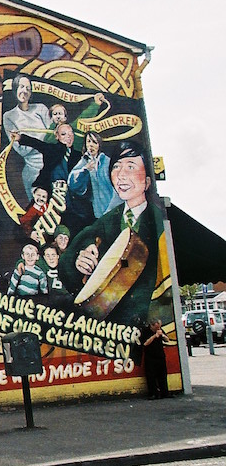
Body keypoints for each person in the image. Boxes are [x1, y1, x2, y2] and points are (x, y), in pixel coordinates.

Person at [58, 140, 160, 326]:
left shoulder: (158, 219)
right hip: (113, 327)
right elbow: (66, 261)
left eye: (130, 167)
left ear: (147, 181)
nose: (121, 175)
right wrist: (79, 261)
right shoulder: (106, 221)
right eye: (116, 167)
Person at [2, 74, 52, 202]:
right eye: (21, 87)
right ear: (15, 89)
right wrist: (42, 136)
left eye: (28, 88)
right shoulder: (9, 116)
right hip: (33, 172)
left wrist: (27, 139)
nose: (24, 91)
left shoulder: (40, 108)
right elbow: (21, 150)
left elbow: (52, 136)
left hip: (53, 167)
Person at [68, 131, 122, 219]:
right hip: (97, 210)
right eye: (88, 141)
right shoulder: (84, 161)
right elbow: (72, 183)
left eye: (94, 142)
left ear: (99, 145)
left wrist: (112, 208)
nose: (91, 145)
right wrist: (84, 170)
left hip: (113, 207)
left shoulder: (106, 161)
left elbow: (117, 185)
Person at [11, 123, 82, 190]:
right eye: (63, 134)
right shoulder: (51, 149)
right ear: (57, 136)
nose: (68, 136)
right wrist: (20, 138)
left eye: (71, 133)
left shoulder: (78, 155)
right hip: (48, 189)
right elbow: (36, 143)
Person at [140, 323, 169, 399]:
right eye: (156, 327)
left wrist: (162, 335)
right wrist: (154, 336)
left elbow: (167, 340)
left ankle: (164, 392)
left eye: (159, 327)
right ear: (152, 326)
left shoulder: (160, 330)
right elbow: (145, 343)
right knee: (151, 376)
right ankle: (153, 393)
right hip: (150, 357)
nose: (158, 329)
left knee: (163, 375)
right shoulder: (146, 331)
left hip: (160, 356)